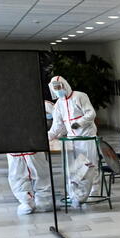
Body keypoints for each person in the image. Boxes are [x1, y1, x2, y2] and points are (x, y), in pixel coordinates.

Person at [46, 75, 98, 207]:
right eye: (55, 88)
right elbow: (57, 125)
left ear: (65, 85)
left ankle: (93, 192)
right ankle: (76, 193)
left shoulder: (79, 96)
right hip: (71, 140)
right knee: (74, 168)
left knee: (89, 165)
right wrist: (48, 137)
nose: (58, 90)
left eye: (59, 87)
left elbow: (91, 113)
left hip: (86, 137)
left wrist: (79, 123)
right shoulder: (59, 104)